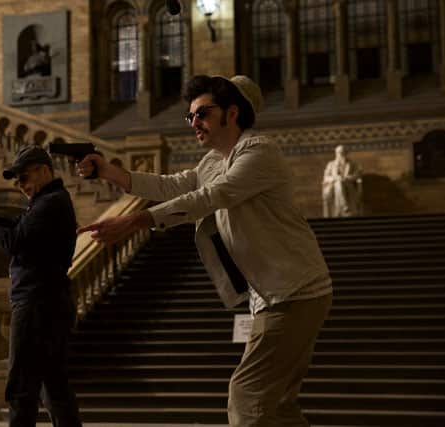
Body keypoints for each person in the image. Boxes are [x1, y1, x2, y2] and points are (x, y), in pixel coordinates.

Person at [76, 75, 332, 426]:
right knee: (279, 406)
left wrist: (136, 221)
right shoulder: (213, 161)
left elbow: (212, 196)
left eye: (202, 113)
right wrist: (108, 170)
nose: (193, 122)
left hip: (294, 293)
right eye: (190, 115)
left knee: (247, 399)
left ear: (232, 112)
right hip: (278, 294)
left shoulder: (259, 151)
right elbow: (171, 186)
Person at [0, 144, 82, 427]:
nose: (20, 185)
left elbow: (15, 241)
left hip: (37, 303)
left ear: (44, 170)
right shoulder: (50, 201)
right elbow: (18, 229)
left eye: (24, 177)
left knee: (22, 387)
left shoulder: (49, 203)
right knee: (54, 388)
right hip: (50, 301)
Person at [322, 144, 362, 217]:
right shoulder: (331, 164)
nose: (340, 154)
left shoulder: (352, 164)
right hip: (333, 186)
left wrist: (348, 178)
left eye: (342, 152)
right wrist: (335, 178)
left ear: (346, 153)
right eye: (339, 152)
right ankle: (344, 205)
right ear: (336, 153)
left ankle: (343, 206)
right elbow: (326, 177)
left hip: (348, 185)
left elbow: (358, 175)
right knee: (338, 183)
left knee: (339, 183)